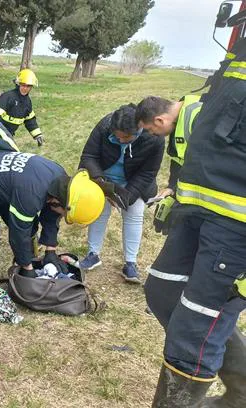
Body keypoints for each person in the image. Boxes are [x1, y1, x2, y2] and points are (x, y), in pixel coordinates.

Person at [141, 50, 246, 405]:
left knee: (193, 333)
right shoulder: (233, 61)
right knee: (162, 292)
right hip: (198, 211)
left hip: (236, 228)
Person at [0, 151, 105, 317]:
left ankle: (27, 264)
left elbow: (51, 217)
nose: (63, 217)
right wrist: (27, 266)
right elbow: (18, 233)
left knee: (31, 227)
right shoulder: (32, 194)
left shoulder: (63, 186)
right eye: (64, 213)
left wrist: (50, 252)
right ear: (57, 201)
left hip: (13, 183)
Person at [77, 104, 165, 283]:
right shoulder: (104, 126)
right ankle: (93, 254)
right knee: (99, 210)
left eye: (126, 137)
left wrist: (125, 197)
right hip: (103, 178)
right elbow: (89, 156)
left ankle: (130, 263)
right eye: (117, 135)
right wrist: (103, 185)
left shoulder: (155, 138)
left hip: (134, 184)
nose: (121, 139)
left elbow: (148, 173)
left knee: (134, 213)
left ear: (139, 128)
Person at [0, 69, 45, 146]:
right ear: (18, 84)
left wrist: (37, 135)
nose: (25, 88)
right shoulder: (7, 97)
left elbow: (30, 120)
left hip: (10, 134)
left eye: (28, 86)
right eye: (23, 85)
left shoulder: (27, 102)